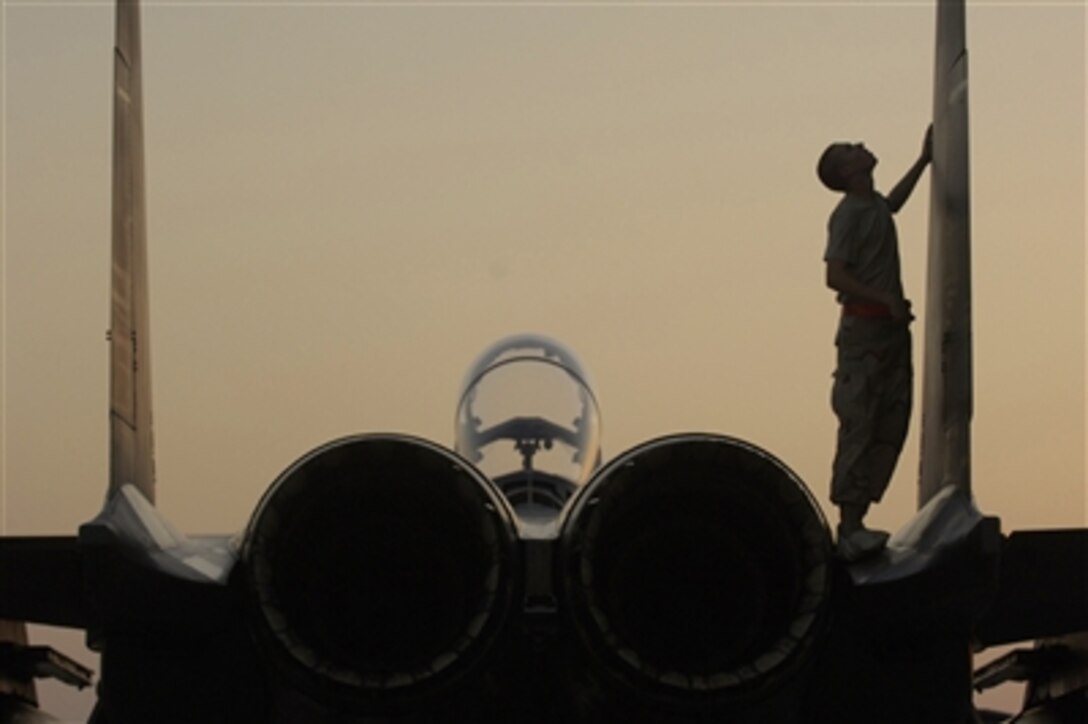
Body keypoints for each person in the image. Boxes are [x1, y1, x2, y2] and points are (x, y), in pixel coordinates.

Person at [817, 127, 932, 561]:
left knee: (889, 419)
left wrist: (923, 162)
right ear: (846, 172)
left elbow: (892, 206)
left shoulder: (873, 207)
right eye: (848, 148)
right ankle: (849, 527)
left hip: (887, 329)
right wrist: (884, 297)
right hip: (863, 333)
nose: (859, 144)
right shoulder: (847, 215)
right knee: (860, 421)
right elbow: (835, 274)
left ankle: (859, 517)